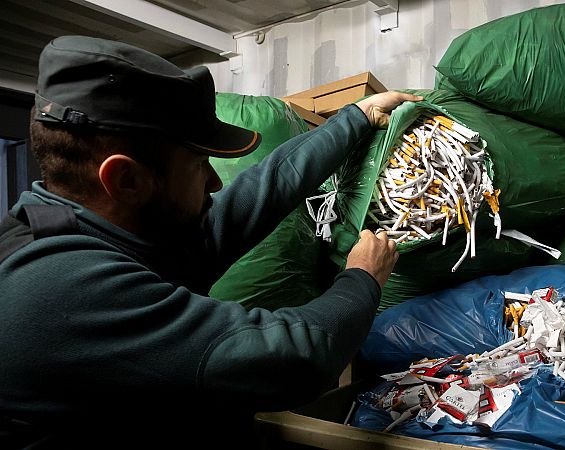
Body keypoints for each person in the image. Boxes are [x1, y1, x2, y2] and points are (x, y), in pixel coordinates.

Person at [0, 35, 421, 449]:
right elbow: (293, 359)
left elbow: (256, 196)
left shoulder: (114, 229)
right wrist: (362, 277)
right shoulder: (57, 287)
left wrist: (357, 117)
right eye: (201, 164)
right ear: (127, 180)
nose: (216, 181)